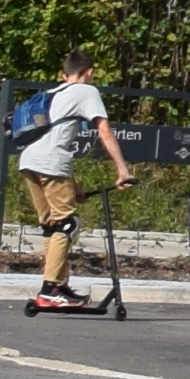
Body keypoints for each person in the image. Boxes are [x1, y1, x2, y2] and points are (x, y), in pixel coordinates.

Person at [21, 69, 129, 313]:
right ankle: (50, 290)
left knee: (51, 226)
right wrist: (123, 171)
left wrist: (75, 187)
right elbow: (105, 131)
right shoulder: (86, 91)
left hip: (28, 161)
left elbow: (52, 140)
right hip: (50, 163)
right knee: (67, 224)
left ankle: (59, 286)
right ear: (89, 72)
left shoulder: (51, 93)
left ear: (63, 73)